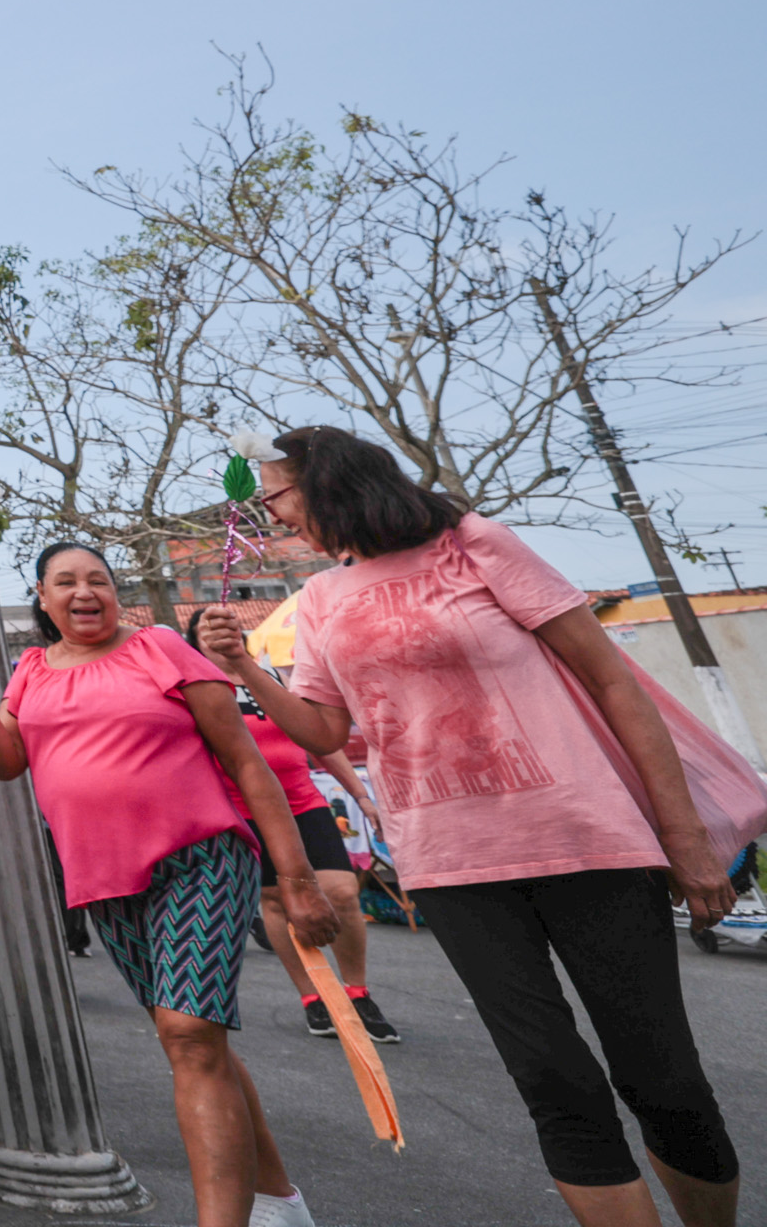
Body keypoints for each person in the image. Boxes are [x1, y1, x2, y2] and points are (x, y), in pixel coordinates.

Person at [208, 425, 750, 1227]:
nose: (274, 516)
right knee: (553, 1083)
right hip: (451, 867)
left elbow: (612, 680)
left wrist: (685, 839)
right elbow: (323, 731)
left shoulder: (474, 545)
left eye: (277, 496)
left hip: (585, 844)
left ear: (327, 481)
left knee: (663, 1079)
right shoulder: (321, 597)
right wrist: (246, 668)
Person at [0, 543, 331, 1227]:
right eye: (66, 582)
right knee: (195, 1040)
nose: (84, 592)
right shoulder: (29, 670)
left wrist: (296, 880)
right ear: (41, 596)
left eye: (98, 580)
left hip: (201, 857)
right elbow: (5, 763)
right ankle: (279, 1200)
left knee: (187, 1031)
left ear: (117, 593)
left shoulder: (160, 648)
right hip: (103, 878)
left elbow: (246, 761)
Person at [179, 605, 395, 1044]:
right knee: (276, 901)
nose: (221, 634)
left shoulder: (272, 678)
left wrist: (359, 794)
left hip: (302, 801)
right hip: (242, 809)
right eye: (208, 630)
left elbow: (317, 737)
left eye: (229, 627)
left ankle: (356, 992)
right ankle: (314, 997)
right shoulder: (191, 690)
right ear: (194, 641)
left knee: (342, 893)